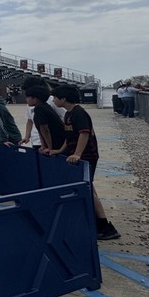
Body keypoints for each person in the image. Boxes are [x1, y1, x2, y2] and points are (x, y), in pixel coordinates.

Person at [47, 86, 120, 241]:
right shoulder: (68, 114)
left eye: (55, 98)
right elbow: (69, 136)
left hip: (87, 156)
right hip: (77, 156)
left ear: (63, 98)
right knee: (89, 188)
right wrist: (60, 150)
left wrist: (78, 154)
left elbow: (84, 133)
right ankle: (97, 223)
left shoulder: (79, 113)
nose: (53, 100)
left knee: (87, 189)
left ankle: (105, 226)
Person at [23, 85, 67, 152]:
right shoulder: (44, 107)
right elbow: (40, 130)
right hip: (55, 140)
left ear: (35, 99)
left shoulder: (40, 109)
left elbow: (45, 130)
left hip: (57, 141)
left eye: (28, 97)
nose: (26, 99)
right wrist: (43, 145)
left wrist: (49, 148)